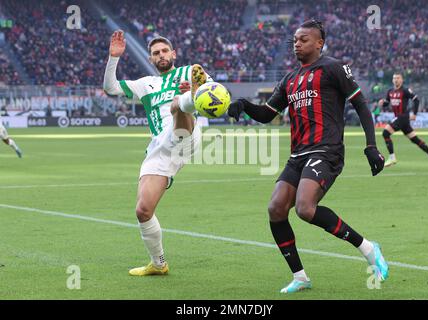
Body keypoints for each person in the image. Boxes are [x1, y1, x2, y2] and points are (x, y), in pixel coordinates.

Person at [228, 20, 388, 293]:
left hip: (327, 151)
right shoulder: (289, 79)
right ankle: (300, 277)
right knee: (276, 208)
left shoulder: (333, 68)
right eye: (295, 40)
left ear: (319, 43)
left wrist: (371, 146)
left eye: (303, 39)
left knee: (305, 208)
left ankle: (368, 248)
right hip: (298, 154)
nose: (297, 44)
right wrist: (243, 105)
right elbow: (267, 114)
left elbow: (360, 103)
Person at [103, 30, 210, 276]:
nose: (160, 55)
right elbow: (109, 88)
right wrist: (113, 58)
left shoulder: (191, 71)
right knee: (143, 210)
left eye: (164, 51)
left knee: (178, 103)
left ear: (173, 53)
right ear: (151, 59)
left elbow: (215, 96)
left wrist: (196, 90)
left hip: (185, 132)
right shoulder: (145, 84)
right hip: (160, 147)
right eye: (155, 53)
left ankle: (187, 100)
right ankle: (158, 264)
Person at [379, 73, 428, 168]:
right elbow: (387, 102)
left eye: (398, 78)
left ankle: (392, 158)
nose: (396, 80)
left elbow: (416, 100)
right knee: (415, 139)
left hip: (402, 117)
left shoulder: (405, 90)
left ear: (402, 80)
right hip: (402, 120)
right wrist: (383, 103)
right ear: (392, 80)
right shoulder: (390, 91)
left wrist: (414, 114)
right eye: (394, 78)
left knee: (385, 133)